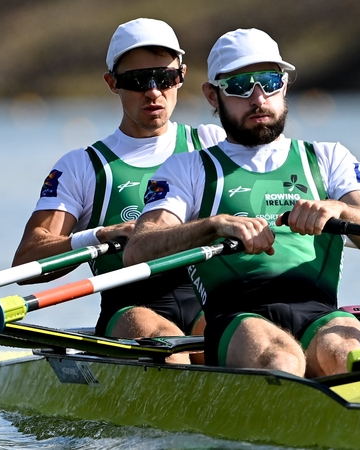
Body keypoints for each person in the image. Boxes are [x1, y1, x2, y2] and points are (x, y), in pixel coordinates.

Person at [123, 28, 360, 377]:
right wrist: (213, 225)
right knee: (281, 360)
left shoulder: (329, 158)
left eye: (270, 81)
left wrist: (341, 210)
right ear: (213, 95)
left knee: (347, 353)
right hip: (237, 317)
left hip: (319, 311)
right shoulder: (187, 168)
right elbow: (138, 250)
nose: (258, 98)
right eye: (241, 86)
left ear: (284, 85)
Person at [12, 18, 225, 363]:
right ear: (113, 83)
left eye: (165, 78)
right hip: (130, 309)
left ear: (182, 76)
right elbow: (26, 260)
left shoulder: (213, 145)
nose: (154, 91)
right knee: (168, 345)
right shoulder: (84, 166)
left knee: (221, 340)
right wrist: (98, 235)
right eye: (138, 80)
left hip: (209, 298)